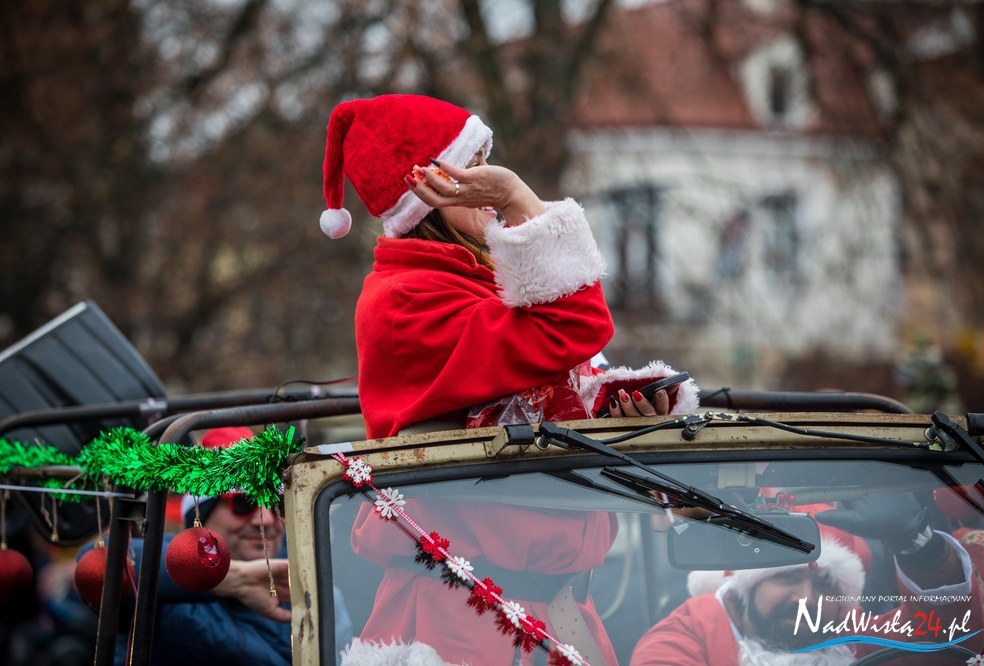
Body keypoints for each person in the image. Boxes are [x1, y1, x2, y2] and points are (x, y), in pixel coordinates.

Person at [317, 94, 698, 665]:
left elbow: (538, 394)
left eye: (486, 165)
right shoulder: (407, 298)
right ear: (428, 191)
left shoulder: (470, 280)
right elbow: (578, 324)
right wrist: (517, 197)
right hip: (464, 616)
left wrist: (619, 411)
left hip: (550, 607)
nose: (487, 184)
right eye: (472, 166)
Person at [82, 427, 353, 666]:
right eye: (244, 504)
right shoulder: (161, 589)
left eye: (275, 504)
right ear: (200, 517)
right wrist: (232, 578)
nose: (266, 521)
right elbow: (96, 565)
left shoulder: (312, 584)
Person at [631, 497, 984, 666]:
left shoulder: (851, 633)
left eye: (827, 584)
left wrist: (919, 547)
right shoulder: (682, 639)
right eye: (786, 576)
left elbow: (950, 643)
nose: (806, 599)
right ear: (746, 584)